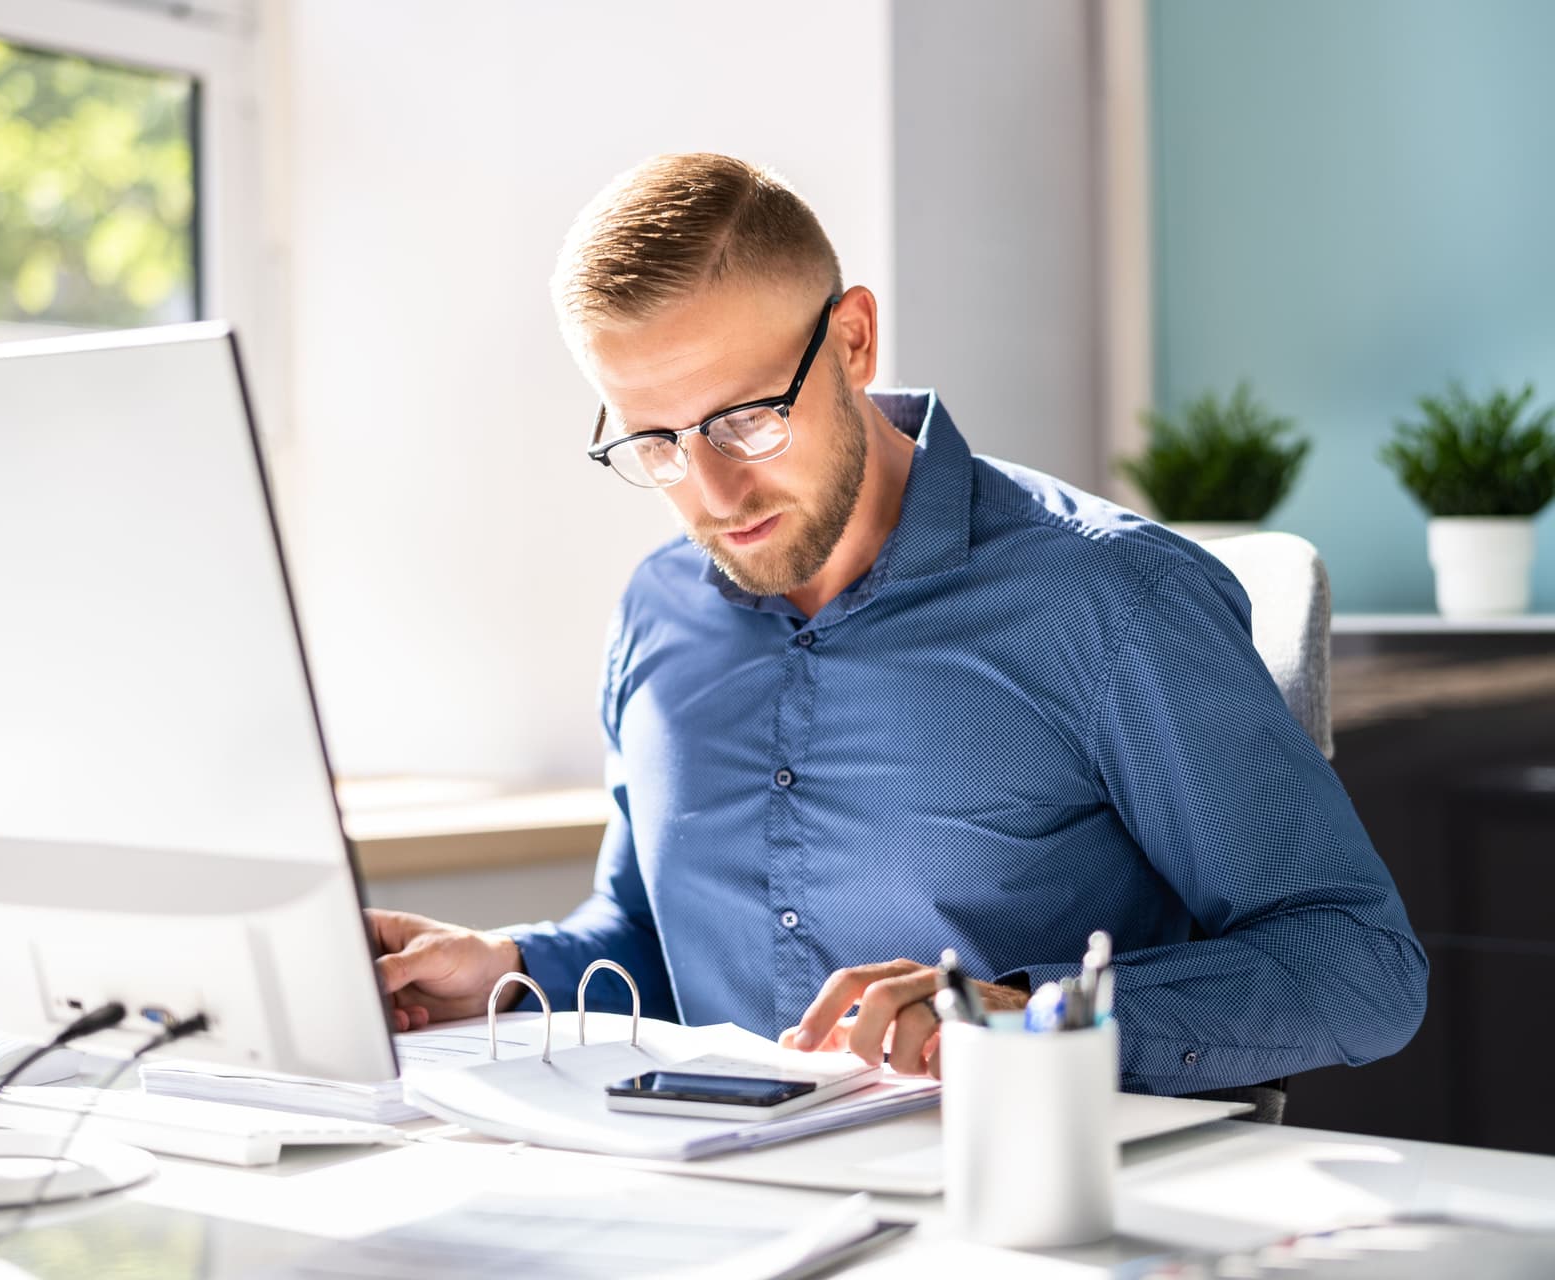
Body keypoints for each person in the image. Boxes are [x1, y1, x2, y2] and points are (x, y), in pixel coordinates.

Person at [368, 153, 1426, 1100]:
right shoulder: (659, 611)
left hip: (1030, 1213)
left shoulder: (1110, 602)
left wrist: (1026, 1016)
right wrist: (505, 966)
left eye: (746, 417)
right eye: (654, 441)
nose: (713, 488)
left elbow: (1360, 965)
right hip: (727, 1216)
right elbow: (649, 937)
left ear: (855, 339)